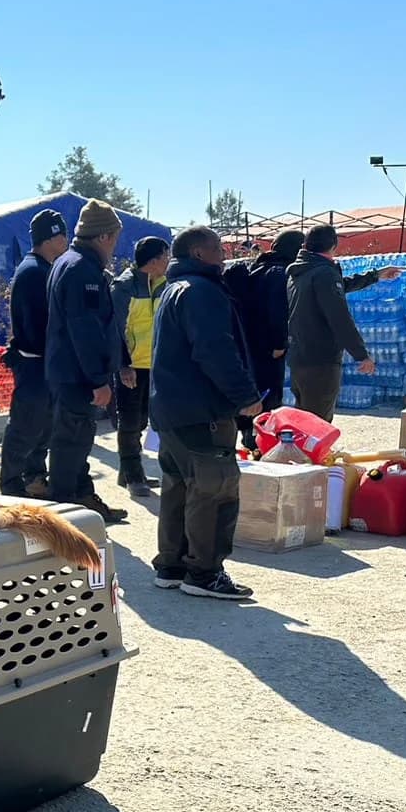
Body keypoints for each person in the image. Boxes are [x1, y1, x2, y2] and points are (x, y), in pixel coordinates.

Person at [148, 227, 262, 600]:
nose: (224, 253)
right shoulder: (201, 292)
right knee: (215, 487)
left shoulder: (172, 289)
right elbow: (215, 351)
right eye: (217, 247)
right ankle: (204, 572)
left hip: (173, 409)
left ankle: (173, 564)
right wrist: (245, 395)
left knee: (179, 486)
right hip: (202, 410)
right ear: (198, 253)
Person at [45, 199, 128, 524]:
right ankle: (64, 515)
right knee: (71, 444)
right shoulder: (82, 270)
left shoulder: (69, 262)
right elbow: (86, 329)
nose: (115, 246)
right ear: (105, 236)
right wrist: (98, 379)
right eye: (115, 239)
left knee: (77, 444)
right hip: (77, 374)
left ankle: (82, 500)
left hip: (67, 371)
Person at [285, 224, 402, 421]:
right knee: (318, 425)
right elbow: (339, 318)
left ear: (305, 245)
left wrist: (375, 275)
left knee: (304, 422)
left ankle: (301, 453)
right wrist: (361, 355)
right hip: (320, 361)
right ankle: (315, 453)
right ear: (334, 245)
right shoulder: (323, 274)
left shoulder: (301, 271)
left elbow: (339, 285)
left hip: (300, 358)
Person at [0, 209, 69, 497]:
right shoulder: (35, 273)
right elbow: (40, 324)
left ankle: (35, 477)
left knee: (43, 428)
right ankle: (11, 484)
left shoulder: (42, 268)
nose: (66, 239)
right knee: (26, 426)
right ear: (49, 238)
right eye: (61, 234)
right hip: (34, 363)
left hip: (42, 363)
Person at [223, 229, 303, 449]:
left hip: (246, 340)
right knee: (268, 391)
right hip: (268, 344)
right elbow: (277, 310)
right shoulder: (280, 273)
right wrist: (279, 343)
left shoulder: (256, 267)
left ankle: (247, 432)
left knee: (252, 386)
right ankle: (258, 437)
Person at [111, 235, 170, 495]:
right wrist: (124, 364)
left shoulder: (164, 284)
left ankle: (128, 473)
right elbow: (115, 329)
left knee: (144, 420)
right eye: (166, 256)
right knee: (130, 421)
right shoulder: (124, 286)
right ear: (155, 260)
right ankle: (135, 476)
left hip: (156, 365)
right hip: (132, 365)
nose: (169, 261)